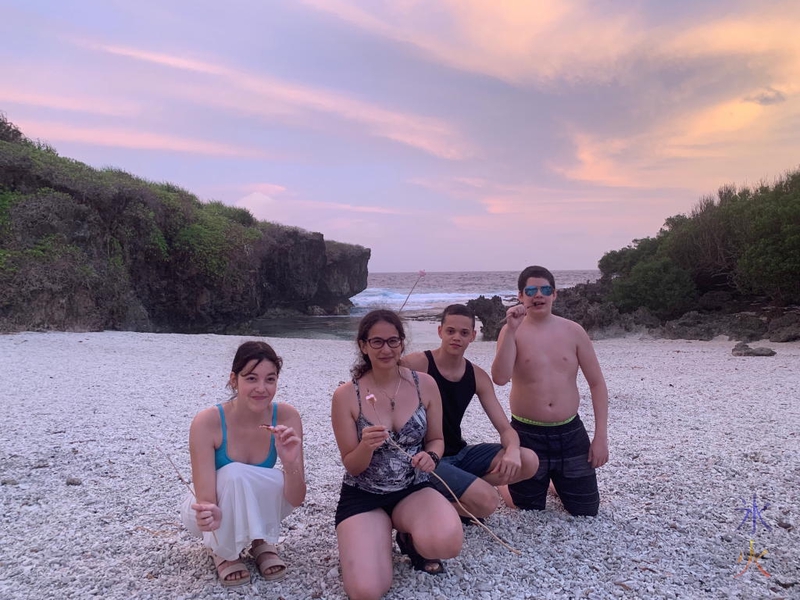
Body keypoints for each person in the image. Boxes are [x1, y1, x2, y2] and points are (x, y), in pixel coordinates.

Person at [331, 309, 462, 600]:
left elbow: (437, 439)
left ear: (402, 343)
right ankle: (374, 535)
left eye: (393, 341)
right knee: (366, 591)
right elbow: (352, 466)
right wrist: (365, 446)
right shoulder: (346, 396)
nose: (386, 349)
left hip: (412, 489)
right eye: (376, 342)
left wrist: (432, 457)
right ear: (363, 346)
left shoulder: (424, 385)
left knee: (447, 543)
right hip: (364, 495)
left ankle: (407, 536)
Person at [180, 341, 306, 587]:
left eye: (270, 379)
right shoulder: (208, 421)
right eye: (251, 378)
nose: (262, 388)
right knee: (235, 473)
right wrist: (210, 514)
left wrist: (290, 462)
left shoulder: (286, 416)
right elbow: (205, 497)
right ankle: (224, 551)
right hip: (208, 511)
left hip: (254, 502)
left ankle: (260, 540)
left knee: (281, 478)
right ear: (234, 380)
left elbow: (296, 497)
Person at [402, 304, 538, 521]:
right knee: (486, 504)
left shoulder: (477, 376)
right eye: (450, 331)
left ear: (473, 336)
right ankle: (423, 501)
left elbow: (505, 427)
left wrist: (512, 450)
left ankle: (455, 492)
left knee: (528, 459)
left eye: (464, 333)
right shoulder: (418, 364)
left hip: (460, 453)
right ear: (440, 332)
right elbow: (380, 378)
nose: (457, 337)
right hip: (425, 458)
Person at [491, 266, 608, 517]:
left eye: (545, 289)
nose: (538, 295)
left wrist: (600, 438)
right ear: (520, 296)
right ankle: (503, 483)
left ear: (554, 294)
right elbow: (500, 378)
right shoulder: (511, 332)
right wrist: (510, 330)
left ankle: (553, 481)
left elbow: (597, 384)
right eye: (531, 290)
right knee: (525, 507)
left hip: (571, 432)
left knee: (586, 510)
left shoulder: (574, 331)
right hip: (527, 432)